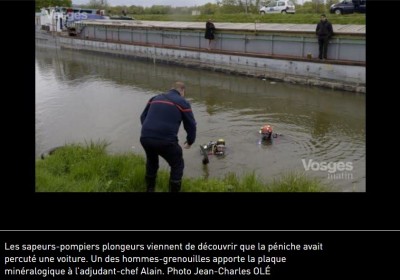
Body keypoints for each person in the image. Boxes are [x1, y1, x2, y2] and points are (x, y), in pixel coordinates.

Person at [140, 82, 197, 192]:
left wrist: (150, 131)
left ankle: (150, 189)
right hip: (166, 141)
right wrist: (190, 141)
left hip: (146, 137)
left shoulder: (154, 98)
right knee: (177, 164)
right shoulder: (183, 102)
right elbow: (191, 125)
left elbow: (143, 117)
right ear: (182, 91)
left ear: (171, 89)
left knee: (152, 162)